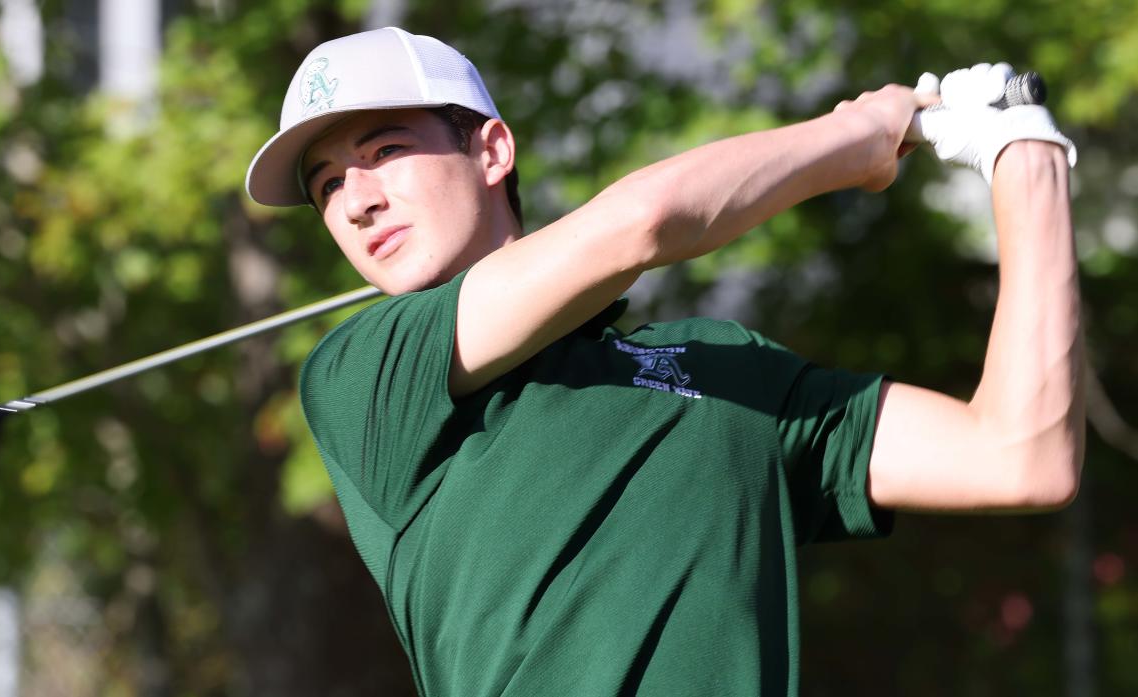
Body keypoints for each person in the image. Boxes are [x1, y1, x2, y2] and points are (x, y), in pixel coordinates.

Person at [246, 27, 1084, 697]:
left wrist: (1024, 156)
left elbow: (1020, 454)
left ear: (492, 150)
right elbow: (641, 223)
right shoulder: (362, 372)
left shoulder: (720, 369)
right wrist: (852, 137)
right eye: (325, 185)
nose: (355, 201)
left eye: (384, 150)